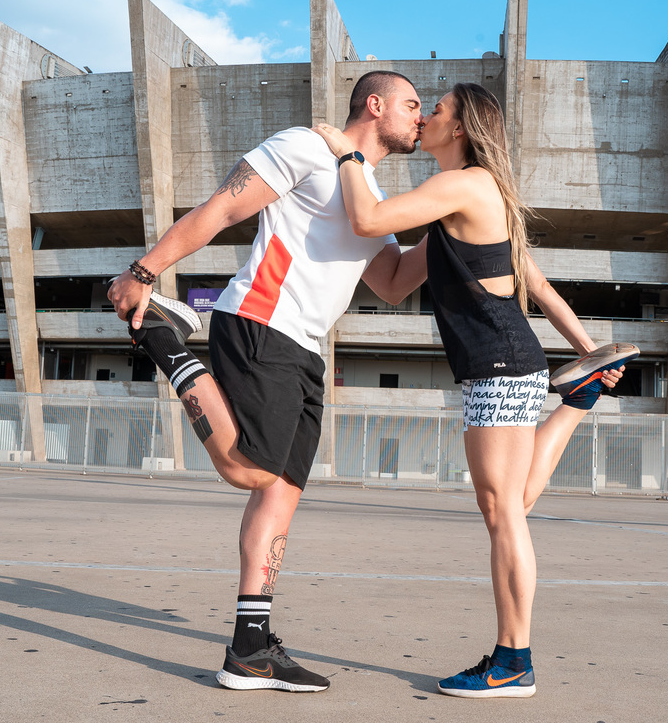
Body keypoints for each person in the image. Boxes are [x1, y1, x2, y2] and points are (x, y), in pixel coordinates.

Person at [313, 82, 637, 699]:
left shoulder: (461, 184)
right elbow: (393, 280)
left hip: (497, 361)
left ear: (459, 127)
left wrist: (347, 155)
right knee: (509, 504)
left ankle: (513, 661)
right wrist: (588, 351)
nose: (425, 116)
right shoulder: (461, 204)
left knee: (503, 511)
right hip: (504, 359)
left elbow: (368, 216)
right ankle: (578, 398)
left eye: (435, 109)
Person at [107, 71, 428, 693]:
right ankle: (164, 339)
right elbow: (223, 206)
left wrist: (450, 231)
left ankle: (250, 651)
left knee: (279, 496)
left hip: (305, 351)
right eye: (412, 105)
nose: (419, 117)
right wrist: (144, 270)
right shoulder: (307, 147)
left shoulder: (367, 190)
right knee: (247, 468)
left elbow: (390, 283)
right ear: (376, 103)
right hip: (260, 321)